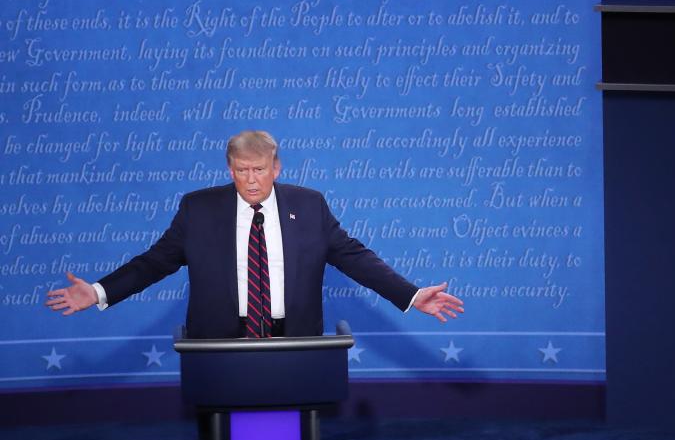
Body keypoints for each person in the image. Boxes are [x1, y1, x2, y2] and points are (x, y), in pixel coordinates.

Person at [45, 129, 463, 336]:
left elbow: (355, 257)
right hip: (222, 345)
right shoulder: (199, 208)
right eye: (241, 171)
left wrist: (409, 295)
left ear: (276, 169)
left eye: (259, 170)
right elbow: (153, 263)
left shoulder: (309, 205)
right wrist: (99, 292)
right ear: (230, 170)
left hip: (293, 341)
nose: (250, 180)